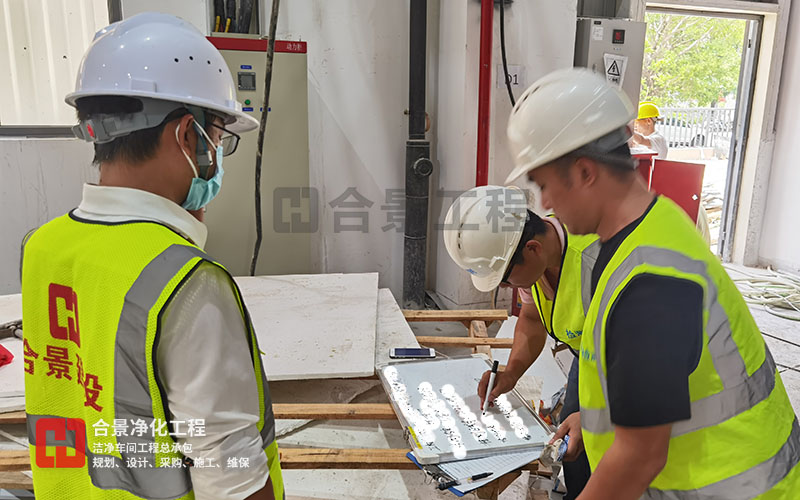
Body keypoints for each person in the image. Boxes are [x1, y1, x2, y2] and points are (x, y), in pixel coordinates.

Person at [21, 13, 283, 500]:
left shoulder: (43, 245)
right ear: (187, 136)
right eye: (217, 138)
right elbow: (230, 474)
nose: (216, 155)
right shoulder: (187, 282)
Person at [505, 67, 800, 499]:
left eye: (545, 185)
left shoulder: (649, 282)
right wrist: (595, 418)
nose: (545, 203)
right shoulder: (645, 232)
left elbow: (639, 456)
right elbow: (656, 379)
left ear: (585, 172)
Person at [443, 185, 597, 499]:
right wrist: (511, 373)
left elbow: (647, 359)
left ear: (532, 249)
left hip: (635, 367)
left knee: (610, 452)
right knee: (573, 444)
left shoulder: (598, 264)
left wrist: (599, 418)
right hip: (591, 358)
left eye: (504, 278)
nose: (504, 286)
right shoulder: (538, 259)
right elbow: (532, 318)